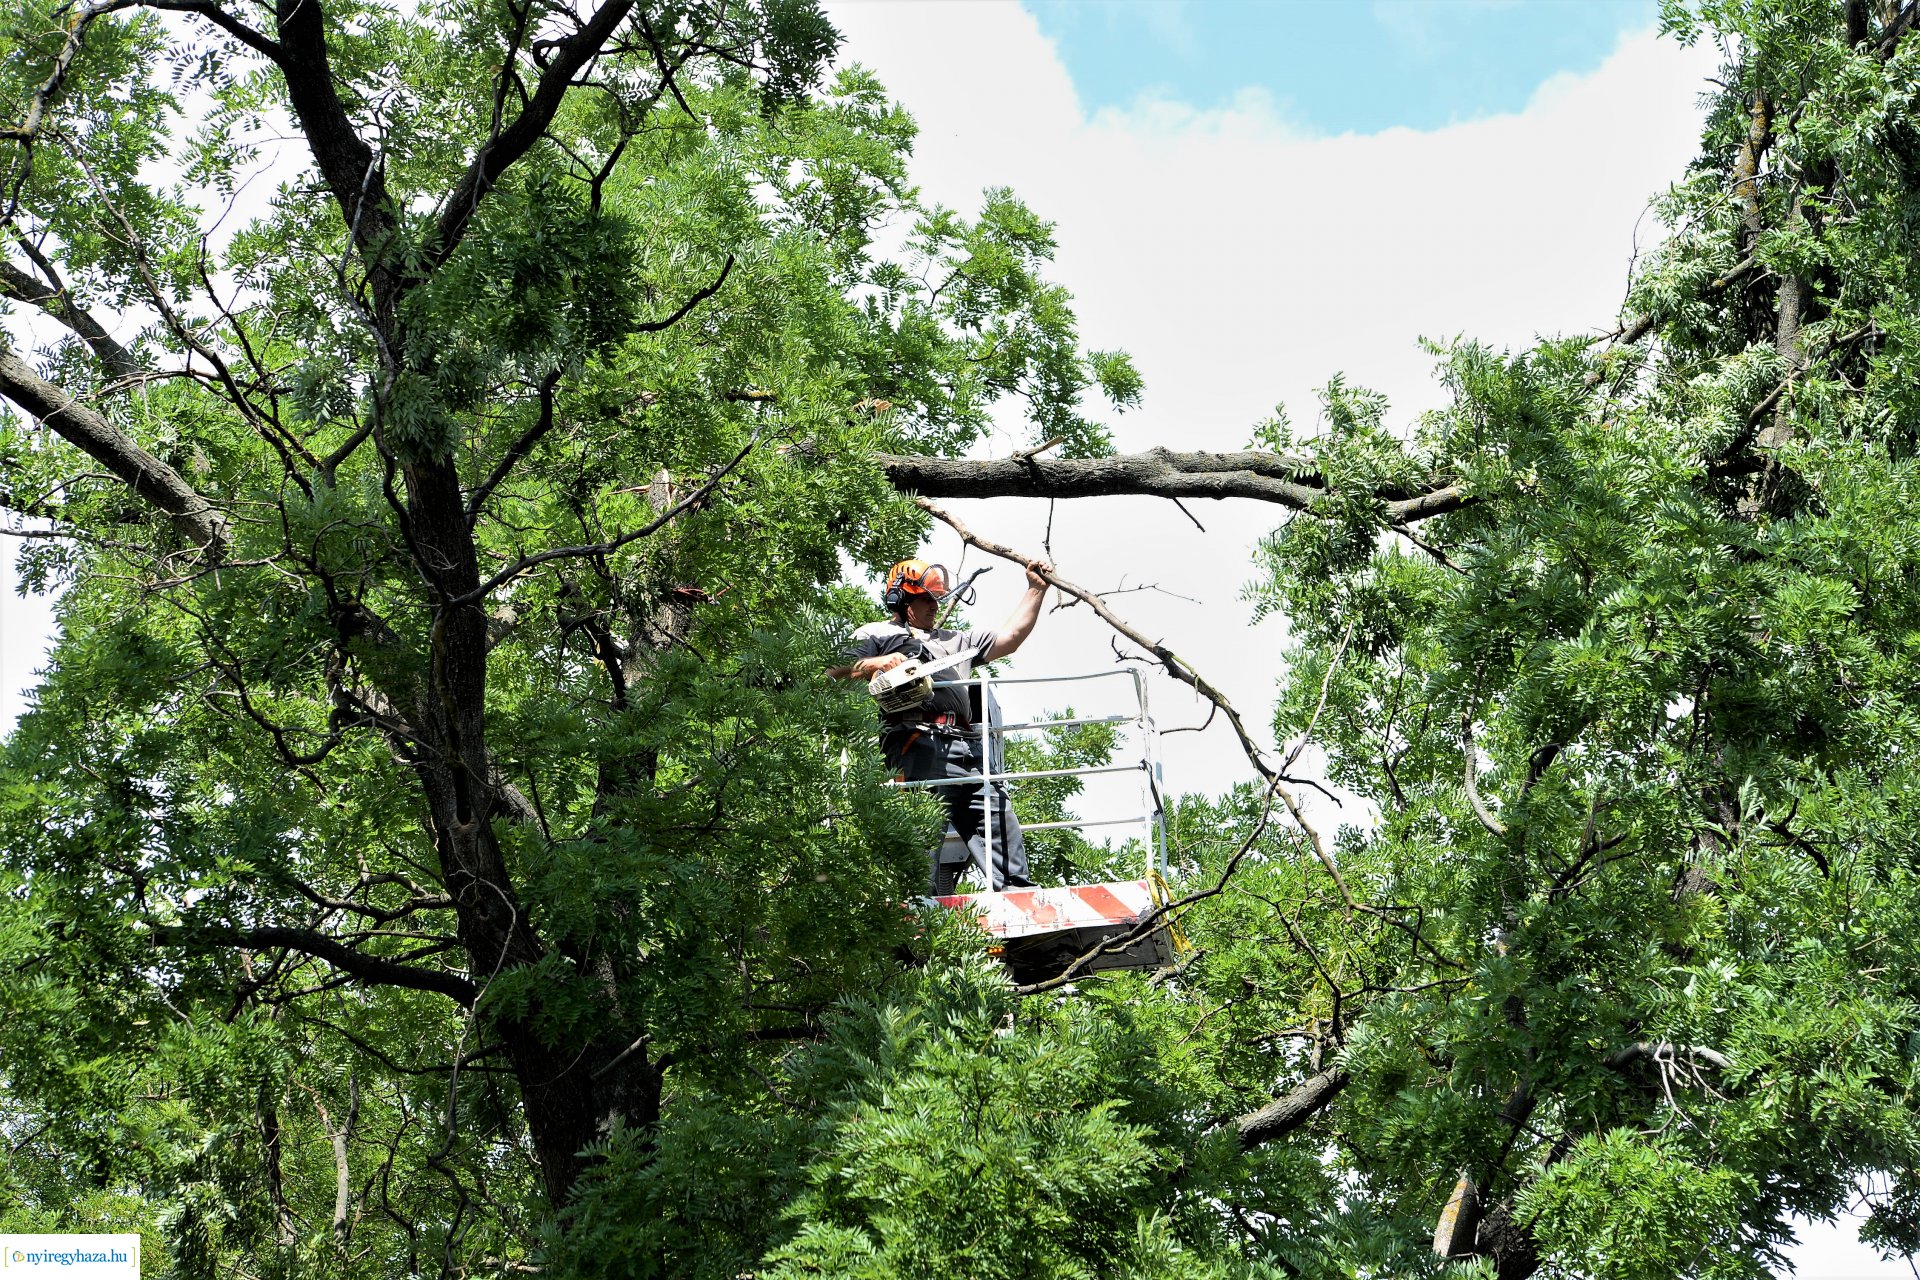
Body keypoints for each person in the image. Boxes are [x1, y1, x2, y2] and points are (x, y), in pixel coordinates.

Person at [831, 557, 1051, 895]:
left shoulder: (957, 641)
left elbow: (1010, 637)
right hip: (916, 741)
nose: (934, 607)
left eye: (937, 600)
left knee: (996, 814)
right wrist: (878, 662)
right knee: (923, 826)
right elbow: (834, 668)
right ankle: (920, 903)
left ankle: (1017, 894)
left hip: (965, 744)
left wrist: (1036, 589)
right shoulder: (878, 633)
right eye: (926, 600)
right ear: (901, 601)